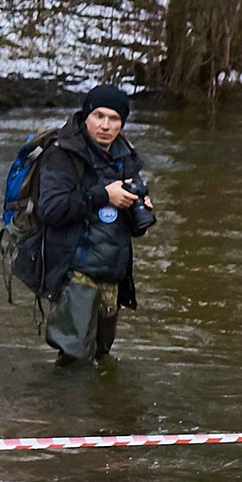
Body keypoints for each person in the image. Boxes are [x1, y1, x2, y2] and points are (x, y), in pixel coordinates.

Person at [30, 84, 155, 364]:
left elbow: (125, 227)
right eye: (99, 116)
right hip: (75, 272)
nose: (105, 126)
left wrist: (139, 211)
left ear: (122, 123)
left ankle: (95, 409)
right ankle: (59, 408)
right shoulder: (63, 154)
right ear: (86, 115)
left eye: (114, 119)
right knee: (74, 362)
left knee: (101, 358)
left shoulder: (125, 156)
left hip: (111, 275)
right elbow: (51, 210)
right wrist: (104, 196)